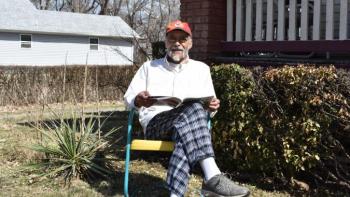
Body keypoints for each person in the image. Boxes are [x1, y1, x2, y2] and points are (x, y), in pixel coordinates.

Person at [124, 20, 250, 197]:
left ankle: (176, 195)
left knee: (193, 115)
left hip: (187, 128)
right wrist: (138, 100)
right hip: (156, 125)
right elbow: (128, 100)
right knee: (194, 109)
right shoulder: (149, 67)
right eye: (172, 39)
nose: (177, 43)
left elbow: (210, 108)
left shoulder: (201, 69)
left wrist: (212, 106)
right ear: (166, 42)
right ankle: (212, 177)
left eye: (182, 39)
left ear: (190, 43)